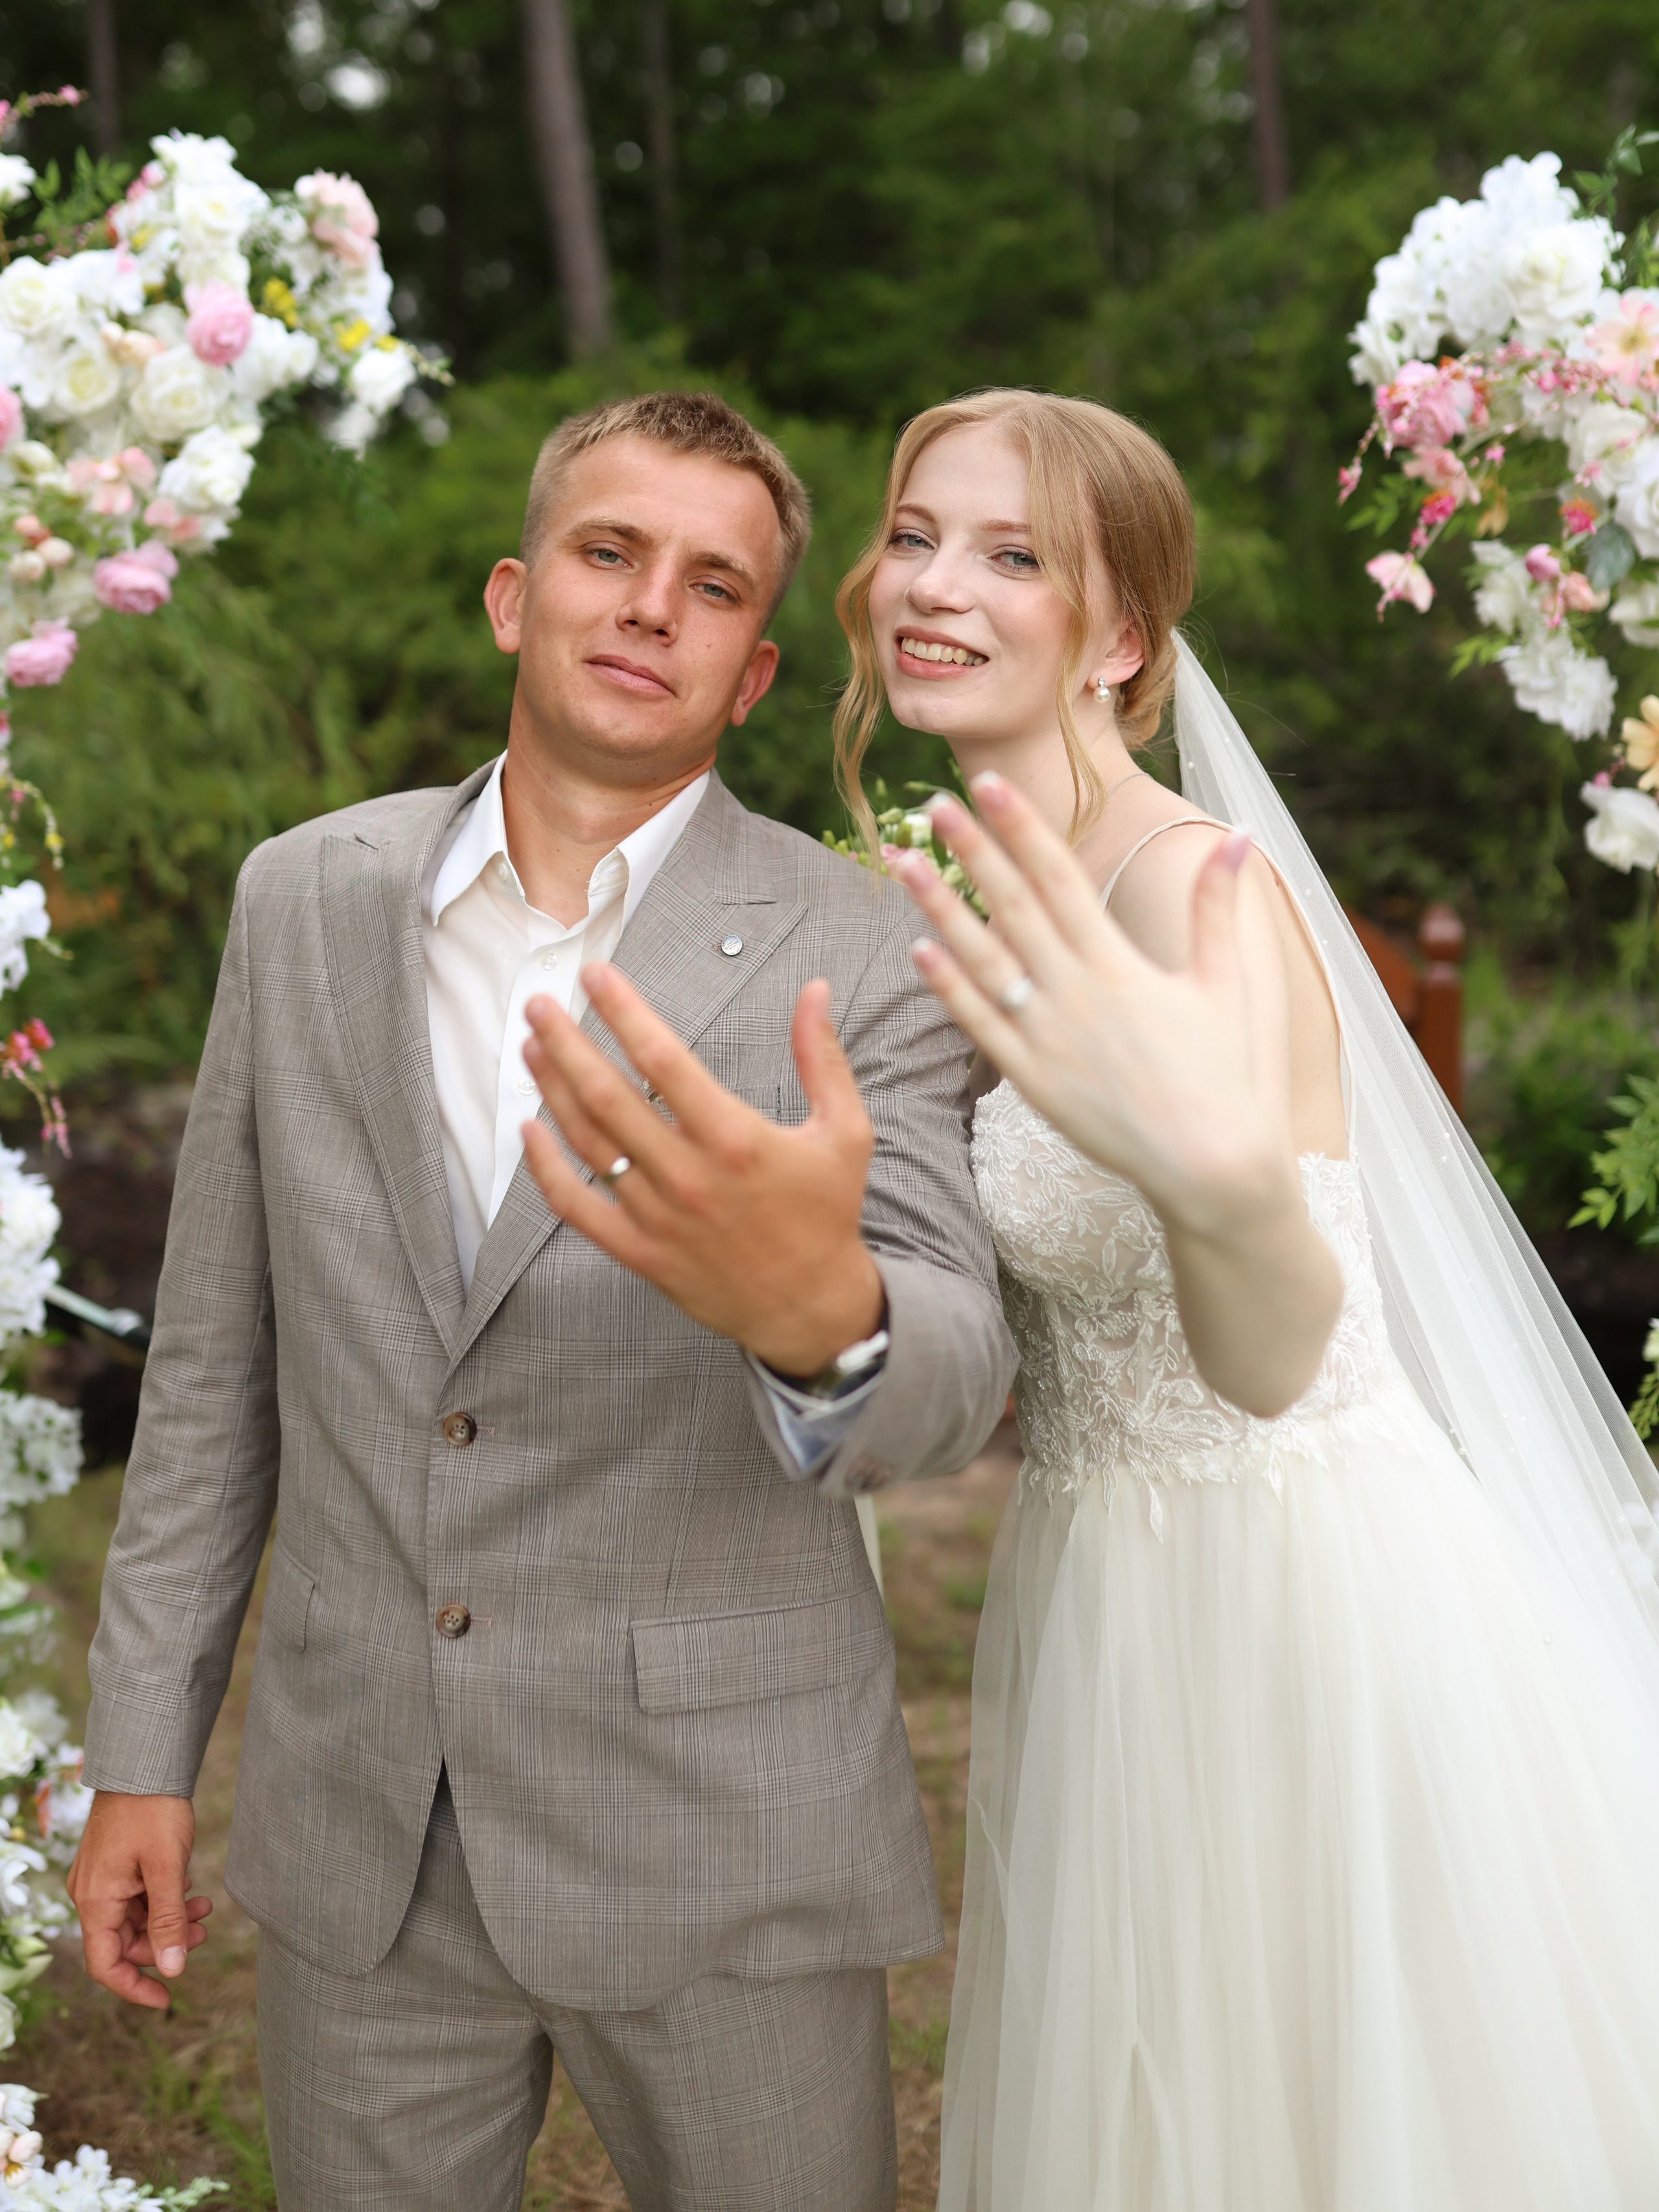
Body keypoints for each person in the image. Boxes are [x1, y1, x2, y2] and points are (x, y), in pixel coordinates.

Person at [67, 390, 1017, 2212]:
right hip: (367, 1821)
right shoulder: (302, 900)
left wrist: (819, 1306)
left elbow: (955, 1367)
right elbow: (213, 1366)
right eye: (610, 553)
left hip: (720, 1822)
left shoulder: (861, 948)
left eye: (716, 585)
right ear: (518, 597)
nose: (653, 604)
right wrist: (145, 1757)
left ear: (751, 676)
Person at [847, 388, 1659, 2209]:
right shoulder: (984, 881)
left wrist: (1219, 1191)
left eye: (1010, 553)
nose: (932, 583)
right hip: (1098, 1559)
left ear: (1120, 638)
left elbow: (1278, 1349)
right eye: (913, 531)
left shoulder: (1200, 897)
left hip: (1287, 1582)